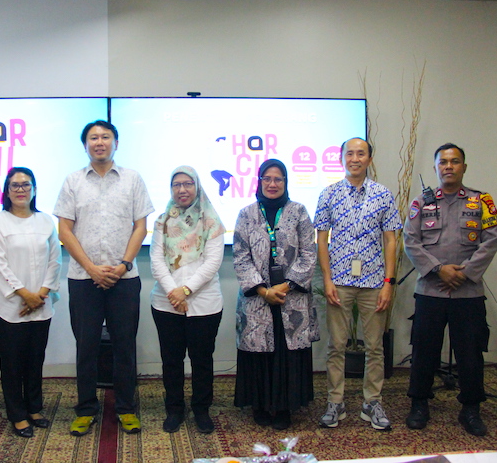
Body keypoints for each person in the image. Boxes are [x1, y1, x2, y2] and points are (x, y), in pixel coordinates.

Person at [54, 120, 154, 436]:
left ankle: (126, 408)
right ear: (85, 145)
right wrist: (92, 268)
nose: (100, 142)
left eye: (105, 137)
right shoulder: (72, 181)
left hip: (124, 279)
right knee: (86, 347)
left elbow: (141, 227)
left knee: (124, 347)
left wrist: (123, 265)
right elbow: (64, 231)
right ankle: (86, 409)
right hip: (84, 279)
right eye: (93, 138)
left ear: (116, 143)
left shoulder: (132, 179)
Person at [404, 143, 497, 436]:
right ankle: (419, 403)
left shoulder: (481, 201)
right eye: (443, 162)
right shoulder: (421, 203)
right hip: (430, 291)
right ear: (436, 167)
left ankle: (471, 408)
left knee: (470, 353)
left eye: (454, 161)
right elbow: (410, 241)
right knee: (424, 351)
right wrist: (439, 269)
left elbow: (491, 239)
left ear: (464, 167)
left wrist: (466, 272)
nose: (448, 166)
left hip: (467, 292)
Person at [314, 137, 402, 431]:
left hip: (375, 282)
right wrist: (327, 280)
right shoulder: (328, 194)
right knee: (336, 346)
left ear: (369, 159)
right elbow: (321, 240)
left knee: (375, 347)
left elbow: (391, 240)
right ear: (341, 159)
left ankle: (372, 402)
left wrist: (389, 283)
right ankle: (335, 402)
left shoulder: (382, 194)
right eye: (349, 154)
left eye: (361, 154)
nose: (355, 158)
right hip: (339, 281)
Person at [233, 159, 318, 430]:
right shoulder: (246, 214)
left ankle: (284, 407)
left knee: (286, 351)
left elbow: (309, 253)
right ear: (259, 182)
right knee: (259, 352)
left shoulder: (299, 211)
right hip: (258, 299)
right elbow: (240, 256)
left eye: (278, 179)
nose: (272, 184)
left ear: (285, 182)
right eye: (267, 179)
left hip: (291, 297)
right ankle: (259, 405)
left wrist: (285, 286)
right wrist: (263, 290)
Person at [0, 167, 61, 438]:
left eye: (26, 184)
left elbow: (55, 260)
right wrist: (24, 294)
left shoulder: (45, 221)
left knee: (35, 360)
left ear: (34, 189)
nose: (20, 189)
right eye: (14, 185)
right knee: (12, 364)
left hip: (41, 303)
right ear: (6, 191)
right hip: (8, 306)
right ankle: (17, 414)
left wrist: (40, 294)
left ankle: (34, 408)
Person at [150, 166, 226, 434]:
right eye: (177, 185)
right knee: (171, 360)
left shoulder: (211, 221)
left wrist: (185, 291)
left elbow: (213, 262)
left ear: (197, 187)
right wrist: (174, 292)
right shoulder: (162, 221)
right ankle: (174, 409)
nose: (182, 190)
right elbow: (156, 260)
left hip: (205, 303)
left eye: (188, 184)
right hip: (166, 303)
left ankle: (201, 409)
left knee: (202, 360)